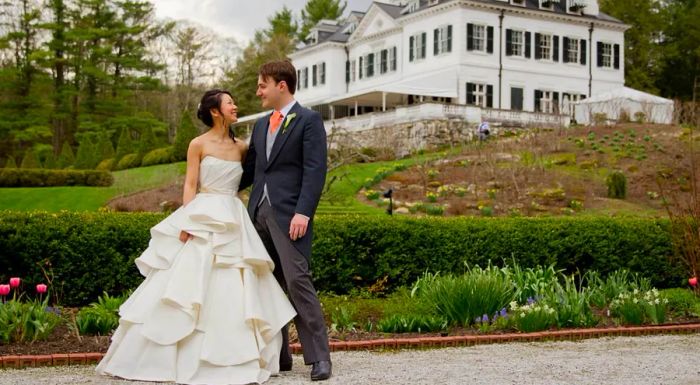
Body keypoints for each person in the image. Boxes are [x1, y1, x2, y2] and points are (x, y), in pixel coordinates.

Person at [96, 89, 296, 385]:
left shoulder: (242, 147)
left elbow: (248, 179)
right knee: (186, 283)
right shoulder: (197, 144)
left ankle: (236, 354)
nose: (235, 106)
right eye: (230, 103)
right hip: (202, 214)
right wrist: (188, 220)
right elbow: (190, 184)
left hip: (233, 216)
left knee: (236, 284)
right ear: (215, 111)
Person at [239, 60, 331, 381]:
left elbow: (315, 170)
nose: (257, 91)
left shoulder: (308, 120)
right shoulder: (262, 125)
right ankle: (279, 355)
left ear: (282, 85)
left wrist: (303, 211)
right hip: (258, 215)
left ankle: (319, 357)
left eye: (262, 85)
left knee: (296, 281)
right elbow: (251, 170)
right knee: (268, 285)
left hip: (291, 215)